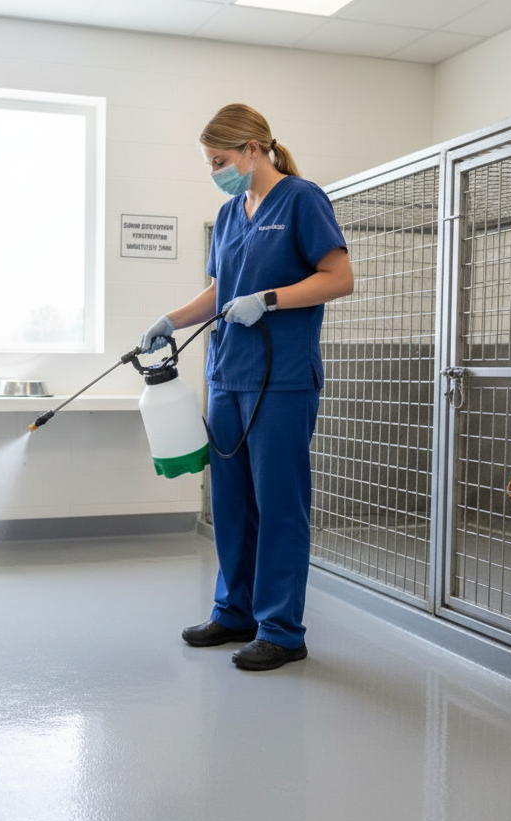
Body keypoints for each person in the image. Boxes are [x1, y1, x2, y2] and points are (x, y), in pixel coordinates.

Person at [139, 103, 353, 671]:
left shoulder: (302, 199)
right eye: (210, 163)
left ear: (253, 150)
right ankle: (235, 612)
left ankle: (281, 630)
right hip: (227, 375)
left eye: (220, 161)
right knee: (231, 503)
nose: (215, 171)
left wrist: (270, 299)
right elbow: (219, 290)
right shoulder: (230, 212)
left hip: (282, 380)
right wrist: (172, 320)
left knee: (279, 504)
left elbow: (339, 278)